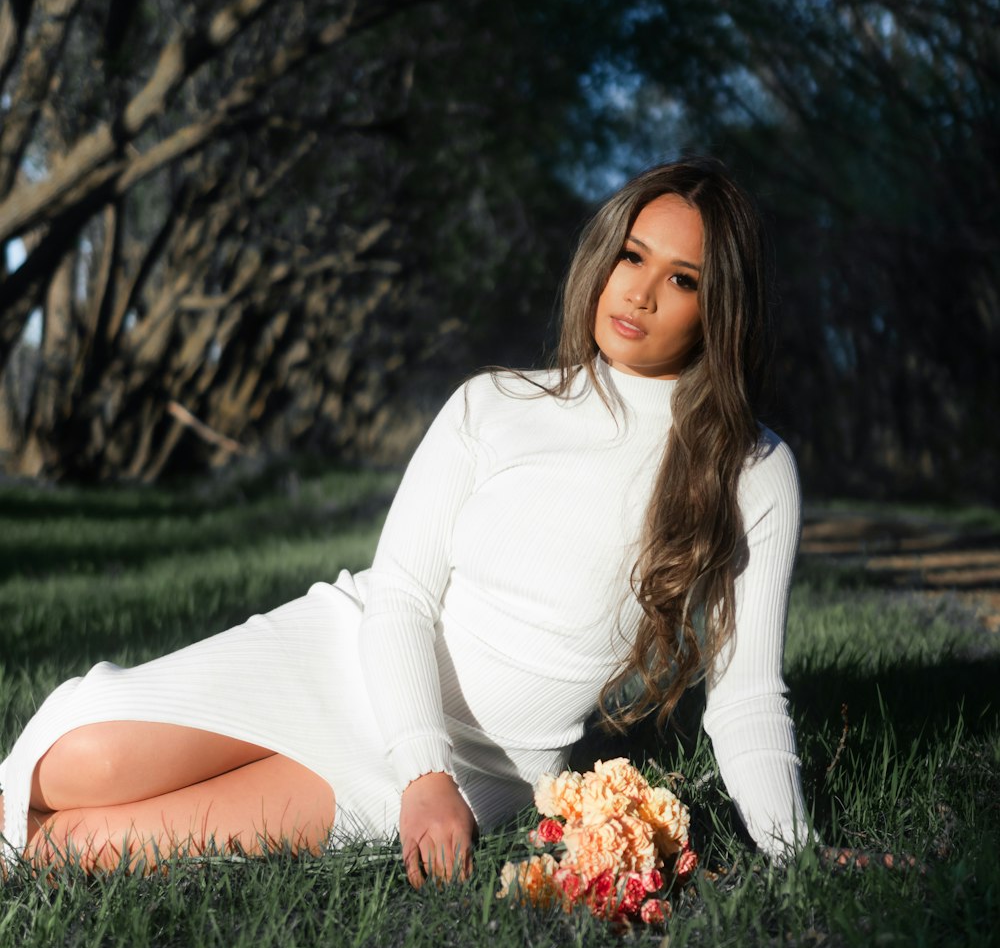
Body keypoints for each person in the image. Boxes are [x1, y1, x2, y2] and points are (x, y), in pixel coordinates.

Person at [0, 157, 811, 887]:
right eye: (633, 256)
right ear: (603, 258)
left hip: (479, 767)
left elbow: (744, 697)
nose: (639, 292)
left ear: (719, 308)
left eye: (684, 280)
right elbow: (402, 598)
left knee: (77, 848)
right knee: (71, 763)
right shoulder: (494, 404)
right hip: (346, 659)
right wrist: (421, 770)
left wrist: (796, 850)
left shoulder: (750, 470)